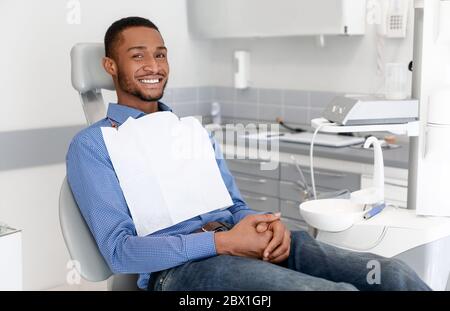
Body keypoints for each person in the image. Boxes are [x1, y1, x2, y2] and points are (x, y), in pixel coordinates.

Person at [66, 16, 430, 291]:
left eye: (160, 55)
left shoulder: (189, 131)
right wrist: (223, 242)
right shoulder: (93, 146)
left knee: (394, 277)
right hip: (181, 273)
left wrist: (268, 225)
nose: (154, 66)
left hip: (241, 240)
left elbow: (235, 206)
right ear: (111, 66)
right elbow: (119, 251)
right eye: (137, 56)